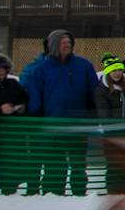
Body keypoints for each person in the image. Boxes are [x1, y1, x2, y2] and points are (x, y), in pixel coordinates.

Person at [22, 30, 97, 195]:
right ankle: (53, 194)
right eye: (63, 42)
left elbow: (93, 93)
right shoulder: (41, 69)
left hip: (78, 125)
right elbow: (35, 98)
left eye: (69, 42)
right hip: (52, 126)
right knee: (55, 163)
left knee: (78, 164)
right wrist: (36, 122)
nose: (67, 45)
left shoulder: (84, 66)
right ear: (54, 45)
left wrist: (92, 117)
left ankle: (79, 194)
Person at [0, 53, 28, 196]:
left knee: (11, 168)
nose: (1, 71)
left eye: (4, 68)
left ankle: (10, 192)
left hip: (12, 137)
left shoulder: (13, 84)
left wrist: (21, 107)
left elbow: (24, 98)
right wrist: (0, 109)